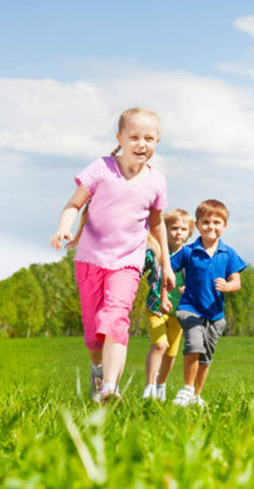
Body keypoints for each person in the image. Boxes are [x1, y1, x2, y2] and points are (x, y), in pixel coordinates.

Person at [50, 108, 175, 402]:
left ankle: (110, 388)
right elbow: (73, 205)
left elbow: (157, 225)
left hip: (127, 262)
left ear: (157, 141)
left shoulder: (157, 182)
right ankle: (98, 370)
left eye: (149, 138)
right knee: (94, 333)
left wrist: (166, 265)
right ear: (119, 138)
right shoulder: (100, 168)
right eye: (134, 137)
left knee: (116, 320)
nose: (141, 144)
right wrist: (63, 229)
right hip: (90, 260)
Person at [170, 199, 246, 407]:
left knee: (205, 357)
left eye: (216, 222)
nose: (211, 227)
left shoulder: (228, 253)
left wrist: (227, 286)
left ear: (225, 226)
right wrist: (162, 294)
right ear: (197, 225)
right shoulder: (188, 251)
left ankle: (196, 395)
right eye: (205, 222)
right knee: (193, 345)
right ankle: (186, 389)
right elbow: (169, 271)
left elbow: (236, 282)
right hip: (190, 309)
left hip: (215, 315)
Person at [142, 209, 195, 401]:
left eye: (183, 229)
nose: (178, 233)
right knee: (159, 345)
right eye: (173, 228)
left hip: (180, 311)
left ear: (189, 232)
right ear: (164, 230)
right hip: (155, 307)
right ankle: (149, 387)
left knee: (171, 353)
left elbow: (199, 278)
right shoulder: (154, 253)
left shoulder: (191, 256)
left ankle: (160, 384)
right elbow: (137, 271)